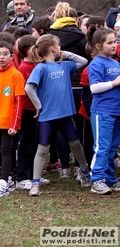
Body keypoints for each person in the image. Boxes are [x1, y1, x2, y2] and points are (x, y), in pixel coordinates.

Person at [25, 34, 91, 197]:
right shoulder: (41, 67)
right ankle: (35, 182)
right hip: (47, 116)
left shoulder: (64, 65)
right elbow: (29, 88)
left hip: (65, 114)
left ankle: (85, 172)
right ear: (52, 48)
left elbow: (83, 61)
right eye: (59, 45)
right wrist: (38, 106)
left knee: (75, 143)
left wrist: (64, 53)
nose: (61, 48)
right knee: (42, 149)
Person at [0, 41, 24, 198]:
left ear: (12, 56)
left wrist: (15, 124)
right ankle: (7, 179)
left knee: (6, 150)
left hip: (9, 122)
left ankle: (4, 181)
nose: (2, 57)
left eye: (5, 54)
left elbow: (19, 102)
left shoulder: (16, 75)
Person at [87, 27, 120, 194]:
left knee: (112, 148)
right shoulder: (96, 64)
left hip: (116, 111)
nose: (114, 45)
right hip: (103, 112)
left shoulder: (115, 63)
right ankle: (97, 179)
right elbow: (94, 88)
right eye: (110, 43)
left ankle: (109, 178)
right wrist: (115, 83)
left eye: (115, 42)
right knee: (102, 146)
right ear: (98, 46)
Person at [15, 35, 38, 190]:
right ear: (30, 51)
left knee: (34, 143)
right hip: (27, 110)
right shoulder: (23, 68)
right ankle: (22, 177)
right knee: (26, 143)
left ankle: (32, 174)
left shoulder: (37, 65)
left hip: (36, 110)